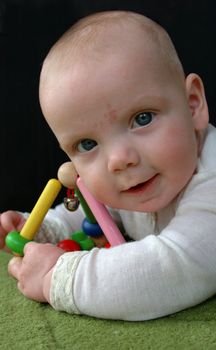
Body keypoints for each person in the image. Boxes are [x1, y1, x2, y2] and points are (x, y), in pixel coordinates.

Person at [0, 10, 216, 321]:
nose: (118, 160)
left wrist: (54, 277)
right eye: (87, 144)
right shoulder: (135, 179)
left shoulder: (210, 183)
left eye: (142, 118)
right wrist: (40, 230)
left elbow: (169, 273)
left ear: (193, 104)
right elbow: (96, 217)